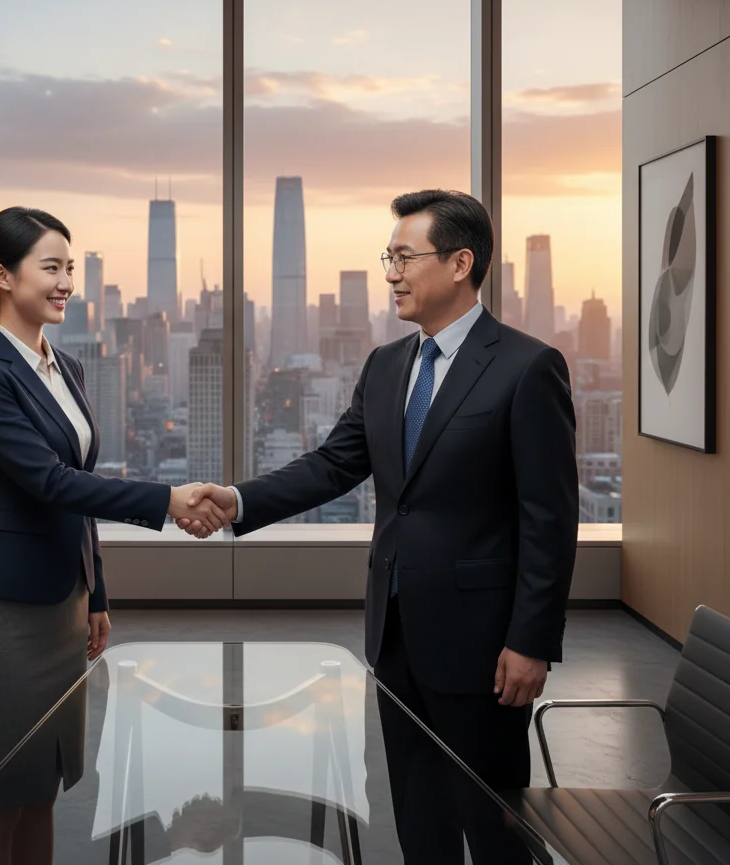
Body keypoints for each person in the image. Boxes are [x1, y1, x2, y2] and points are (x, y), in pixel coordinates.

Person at [186, 189, 579, 863]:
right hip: (395, 633)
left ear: (460, 264)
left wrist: (531, 640)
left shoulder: (526, 367)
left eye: (404, 257)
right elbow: (334, 465)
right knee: (418, 819)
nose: (390, 272)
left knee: (494, 826)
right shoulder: (387, 365)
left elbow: (549, 517)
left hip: (485, 645)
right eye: (387, 257)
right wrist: (239, 501)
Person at [0, 206, 224, 865]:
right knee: (0, 800)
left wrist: (95, 592)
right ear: (3, 275)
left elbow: (79, 488)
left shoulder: (66, 367)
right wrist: (164, 500)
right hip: (6, 612)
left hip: (63, 604)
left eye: (70, 268)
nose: (66, 281)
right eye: (51, 267)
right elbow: (49, 483)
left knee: (44, 785)